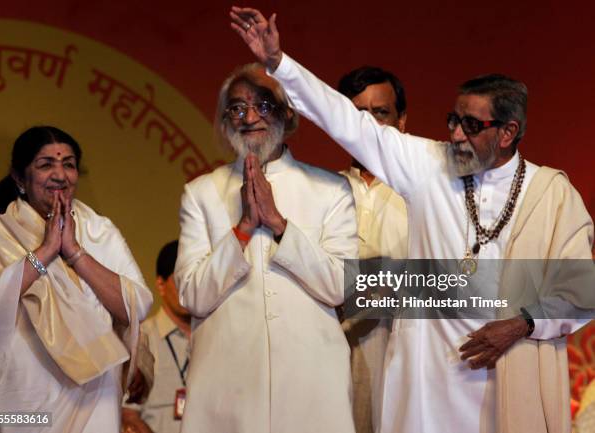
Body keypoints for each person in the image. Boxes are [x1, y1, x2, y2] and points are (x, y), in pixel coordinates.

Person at [230, 8, 595, 433]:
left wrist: (521, 324)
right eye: (453, 120)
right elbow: (347, 122)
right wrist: (279, 62)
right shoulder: (428, 165)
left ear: (508, 132)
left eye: (472, 125)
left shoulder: (550, 193)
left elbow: (583, 287)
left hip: (508, 375)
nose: (456, 134)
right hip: (428, 383)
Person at [174, 63, 358, 433]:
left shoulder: (329, 189)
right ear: (226, 121)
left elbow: (341, 286)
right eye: (238, 108)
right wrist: (242, 230)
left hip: (311, 383)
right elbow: (191, 294)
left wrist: (279, 225)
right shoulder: (202, 193)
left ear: (288, 115)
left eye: (263, 104)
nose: (250, 117)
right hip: (226, 386)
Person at [0, 126, 153, 432]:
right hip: (23, 401)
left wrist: (75, 253)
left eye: (69, 164)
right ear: (20, 178)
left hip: (96, 398)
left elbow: (136, 307)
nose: (60, 175)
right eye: (46, 164)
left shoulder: (100, 231)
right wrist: (45, 253)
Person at [338, 66, 409, 433]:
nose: (367, 125)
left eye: (380, 113)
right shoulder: (321, 193)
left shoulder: (424, 196)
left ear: (401, 122)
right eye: (356, 114)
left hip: (408, 365)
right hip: (334, 366)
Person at [122, 240, 191, 433]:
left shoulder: (214, 338)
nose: (189, 289)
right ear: (160, 285)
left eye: (194, 280)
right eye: (180, 280)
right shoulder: (142, 338)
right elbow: (127, 415)